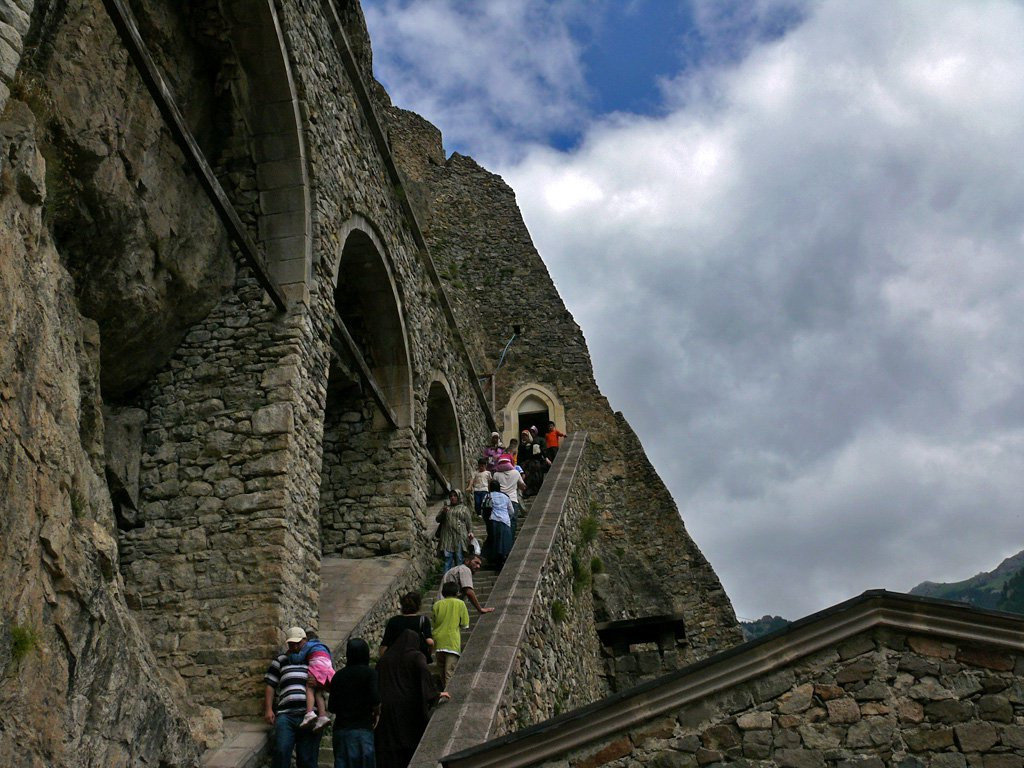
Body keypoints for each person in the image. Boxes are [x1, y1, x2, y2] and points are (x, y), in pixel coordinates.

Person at [375, 629, 450, 768]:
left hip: (387, 710)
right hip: (409, 710)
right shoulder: (416, 657)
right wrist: (436, 694)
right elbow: (424, 676)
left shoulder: (384, 660)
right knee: (409, 746)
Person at [264, 626, 324, 768]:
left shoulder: (313, 659)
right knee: (281, 752)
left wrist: (318, 682)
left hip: (309, 716)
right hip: (286, 716)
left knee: (307, 759)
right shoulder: (280, 660)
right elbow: (270, 685)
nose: (295, 647)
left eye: (299, 643)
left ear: (305, 641)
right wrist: (268, 709)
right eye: (292, 644)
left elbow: (328, 682)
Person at [328, 638, 380, 768]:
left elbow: (332, 706)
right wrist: (376, 714)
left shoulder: (338, 676)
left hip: (342, 730)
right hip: (363, 729)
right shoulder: (370, 674)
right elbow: (375, 699)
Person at [291, 631, 334, 731]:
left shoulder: (308, 645)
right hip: (328, 668)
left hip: (318, 665)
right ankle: (322, 716)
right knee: (318, 692)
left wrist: (291, 655)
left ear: (306, 640)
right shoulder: (323, 646)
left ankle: (309, 713)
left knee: (309, 688)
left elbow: (298, 658)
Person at [431, 580, 469, 688]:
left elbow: (434, 623)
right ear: (457, 592)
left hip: (438, 641)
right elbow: (465, 624)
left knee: (441, 670)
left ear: (443, 592)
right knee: (449, 671)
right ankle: (448, 693)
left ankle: (444, 690)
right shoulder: (460, 604)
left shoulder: (437, 605)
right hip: (452, 642)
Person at [380, 592, 433, 662]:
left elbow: (384, 645)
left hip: (397, 659)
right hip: (416, 659)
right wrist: (428, 654)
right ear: (419, 606)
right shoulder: (423, 620)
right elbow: (430, 642)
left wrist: (383, 661)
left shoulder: (393, 621)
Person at [436, 490, 472, 573]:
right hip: (447, 538)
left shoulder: (464, 508)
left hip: (460, 538)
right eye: (451, 496)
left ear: (459, 497)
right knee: (447, 559)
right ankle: (446, 579)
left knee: (459, 558)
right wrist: (444, 513)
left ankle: (459, 578)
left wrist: (470, 532)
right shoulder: (446, 508)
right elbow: (437, 519)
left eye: (455, 496)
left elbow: (469, 522)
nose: (452, 498)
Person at [491, 454, 525, 532]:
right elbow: (522, 486)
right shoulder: (516, 473)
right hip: (513, 500)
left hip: (500, 501)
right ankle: (511, 538)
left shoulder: (496, 474)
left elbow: (492, 487)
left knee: (502, 522)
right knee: (513, 521)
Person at [485, 479, 515, 570]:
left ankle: (494, 560)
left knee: (494, 541)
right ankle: (503, 558)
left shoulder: (488, 496)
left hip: (493, 520)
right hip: (505, 521)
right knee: (504, 542)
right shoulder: (505, 497)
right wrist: (508, 517)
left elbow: (484, 508)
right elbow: (511, 511)